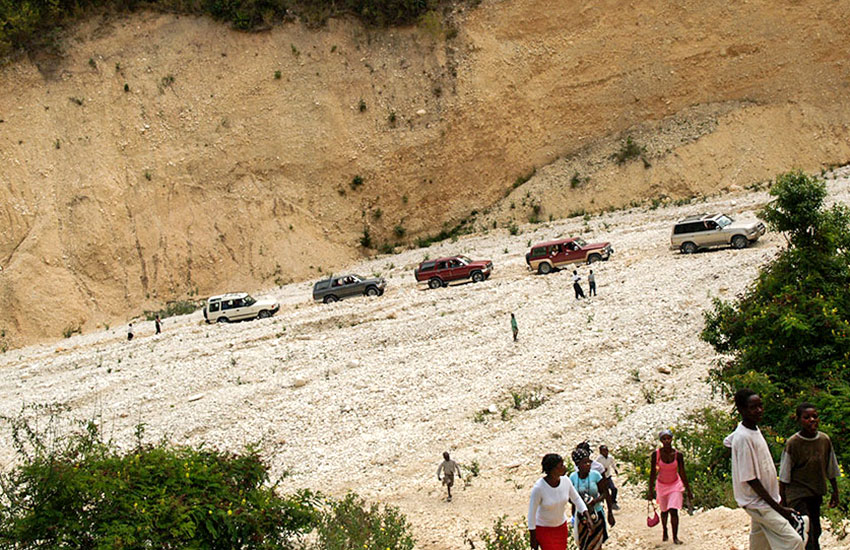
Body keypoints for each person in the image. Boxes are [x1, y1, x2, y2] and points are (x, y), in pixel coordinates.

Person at [724, 389, 807, 550]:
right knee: (793, 542)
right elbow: (751, 479)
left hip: (763, 501)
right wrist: (779, 508)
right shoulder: (743, 437)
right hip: (758, 502)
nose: (759, 410)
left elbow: (728, 440)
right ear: (741, 410)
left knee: (760, 543)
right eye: (753, 407)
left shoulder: (751, 429)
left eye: (760, 406)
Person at [779, 403, 840, 550]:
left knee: (816, 530)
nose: (812, 420)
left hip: (815, 492)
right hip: (797, 495)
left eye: (815, 416)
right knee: (807, 531)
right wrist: (783, 501)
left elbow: (831, 467)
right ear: (799, 420)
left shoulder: (824, 440)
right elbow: (784, 475)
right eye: (807, 417)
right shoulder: (793, 443)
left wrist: (835, 492)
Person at [528, 453, 589, 550]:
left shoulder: (566, 481)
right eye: (561, 465)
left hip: (561, 528)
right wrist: (533, 537)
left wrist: (586, 514)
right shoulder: (539, 488)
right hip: (544, 529)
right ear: (552, 470)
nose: (564, 467)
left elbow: (576, 499)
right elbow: (531, 514)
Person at [648, 430, 694, 544]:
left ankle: (675, 537)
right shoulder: (656, 455)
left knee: (674, 510)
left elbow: (682, 472)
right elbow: (652, 473)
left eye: (668, 438)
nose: (667, 441)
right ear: (661, 441)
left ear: (672, 439)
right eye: (664, 439)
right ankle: (664, 530)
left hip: (675, 485)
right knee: (664, 511)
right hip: (662, 485)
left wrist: (688, 490)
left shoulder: (678, 455)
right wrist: (650, 490)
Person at [570, 448, 612, 550]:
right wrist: (579, 503)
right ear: (577, 464)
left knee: (597, 544)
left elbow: (605, 493)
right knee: (583, 544)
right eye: (584, 463)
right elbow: (569, 497)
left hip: (596, 515)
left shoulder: (596, 475)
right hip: (581, 517)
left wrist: (595, 501)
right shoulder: (572, 477)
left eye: (589, 462)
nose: (588, 464)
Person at [596, 445, 619, 510]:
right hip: (601, 478)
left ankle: (613, 502)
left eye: (606, 450)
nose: (606, 452)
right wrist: (602, 470)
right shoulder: (599, 459)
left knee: (614, 489)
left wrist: (615, 470)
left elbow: (612, 464)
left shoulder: (610, 457)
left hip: (608, 476)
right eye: (604, 451)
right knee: (602, 492)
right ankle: (601, 505)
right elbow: (595, 467)